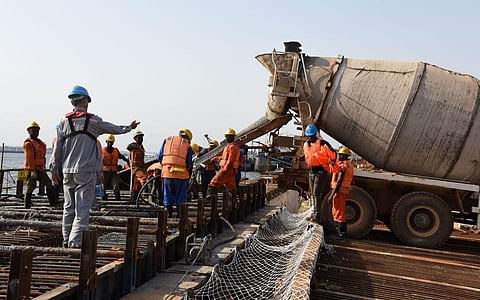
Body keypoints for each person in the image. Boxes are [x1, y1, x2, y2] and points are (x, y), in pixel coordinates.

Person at [50, 85, 139, 248]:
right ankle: (75, 244)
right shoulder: (92, 121)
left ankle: (65, 239)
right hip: (85, 171)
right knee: (82, 209)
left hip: (67, 171)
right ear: (85, 101)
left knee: (68, 207)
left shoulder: (63, 121)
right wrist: (129, 128)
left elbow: (57, 148)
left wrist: (54, 170)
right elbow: (114, 128)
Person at [303, 123, 337, 224]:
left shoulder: (323, 144)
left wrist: (329, 164)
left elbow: (333, 155)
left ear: (315, 134)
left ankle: (317, 217)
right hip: (311, 171)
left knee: (316, 193)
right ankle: (313, 214)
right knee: (313, 194)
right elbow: (309, 156)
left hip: (320, 171)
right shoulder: (306, 144)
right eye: (308, 136)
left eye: (312, 136)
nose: (310, 138)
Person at [158, 128, 193, 217]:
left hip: (167, 173)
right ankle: (179, 217)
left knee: (167, 196)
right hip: (181, 175)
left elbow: (160, 156)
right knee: (180, 197)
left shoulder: (167, 140)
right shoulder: (187, 145)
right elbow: (189, 163)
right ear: (188, 138)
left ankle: (169, 217)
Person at [23, 121, 59, 208]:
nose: (35, 132)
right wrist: (32, 171)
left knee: (48, 183)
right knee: (30, 186)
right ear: (29, 131)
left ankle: (53, 202)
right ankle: (27, 205)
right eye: (33, 131)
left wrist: (43, 166)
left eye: (37, 131)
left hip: (40, 169)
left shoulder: (39, 143)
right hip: (31, 169)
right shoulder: (28, 144)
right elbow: (29, 158)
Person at [206, 128, 240, 199]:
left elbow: (231, 160)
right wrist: (216, 158)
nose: (227, 138)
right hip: (231, 171)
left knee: (214, 182)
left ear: (232, 137)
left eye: (228, 136)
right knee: (230, 186)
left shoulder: (232, 147)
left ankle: (210, 199)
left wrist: (225, 169)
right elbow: (224, 158)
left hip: (227, 170)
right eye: (227, 136)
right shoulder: (230, 146)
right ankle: (233, 202)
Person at [329, 146, 354, 239]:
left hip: (339, 190)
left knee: (338, 212)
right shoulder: (349, 165)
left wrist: (331, 195)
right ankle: (339, 233)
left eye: (340, 155)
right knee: (339, 211)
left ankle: (341, 234)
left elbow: (339, 181)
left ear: (345, 156)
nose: (339, 156)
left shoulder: (342, 166)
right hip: (344, 190)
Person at [101, 134, 129, 201]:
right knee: (104, 187)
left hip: (114, 172)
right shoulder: (102, 151)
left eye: (112, 142)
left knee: (116, 186)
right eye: (109, 142)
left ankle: (118, 200)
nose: (110, 143)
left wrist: (128, 161)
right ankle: (104, 201)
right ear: (106, 141)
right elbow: (97, 160)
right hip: (105, 172)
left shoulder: (116, 150)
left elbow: (121, 156)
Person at [127, 130, 147, 202]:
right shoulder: (134, 145)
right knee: (144, 179)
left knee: (136, 186)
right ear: (135, 138)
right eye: (139, 138)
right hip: (136, 169)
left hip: (141, 168)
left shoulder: (141, 147)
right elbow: (128, 147)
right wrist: (133, 147)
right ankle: (146, 196)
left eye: (141, 138)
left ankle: (133, 200)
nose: (141, 139)